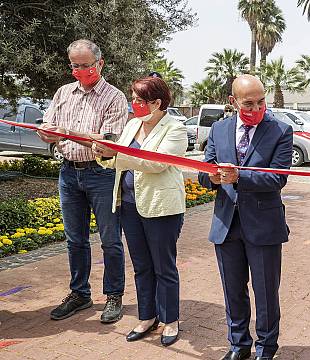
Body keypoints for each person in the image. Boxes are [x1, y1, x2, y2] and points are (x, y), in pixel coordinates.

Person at [198, 74, 293, 360]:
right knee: (233, 291)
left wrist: (240, 176)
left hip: (263, 225)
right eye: (248, 104)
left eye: (261, 102)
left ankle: (266, 349)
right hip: (226, 225)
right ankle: (238, 346)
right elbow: (204, 172)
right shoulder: (219, 129)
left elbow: (277, 178)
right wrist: (212, 178)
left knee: (265, 293)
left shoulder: (280, 131)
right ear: (233, 102)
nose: (255, 109)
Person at [92, 76, 187, 346]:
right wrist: (105, 155)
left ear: (157, 103)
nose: (133, 104)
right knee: (142, 266)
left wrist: (115, 153)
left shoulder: (175, 129)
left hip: (161, 208)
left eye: (138, 100)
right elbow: (120, 162)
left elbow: (156, 164)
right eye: (132, 98)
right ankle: (147, 316)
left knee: (163, 266)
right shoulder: (133, 124)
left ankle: (170, 320)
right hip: (130, 205)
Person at [38, 39, 128, 323]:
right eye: (74, 66)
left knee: (110, 239)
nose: (79, 71)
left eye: (85, 65)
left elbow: (110, 141)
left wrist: (66, 131)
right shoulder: (63, 92)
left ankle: (113, 296)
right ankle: (80, 293)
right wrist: (46, 132)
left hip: (101, 173)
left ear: (100, 64)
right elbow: (49, 126)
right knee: (74, 239)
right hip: (68, 172)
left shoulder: (114, 97)